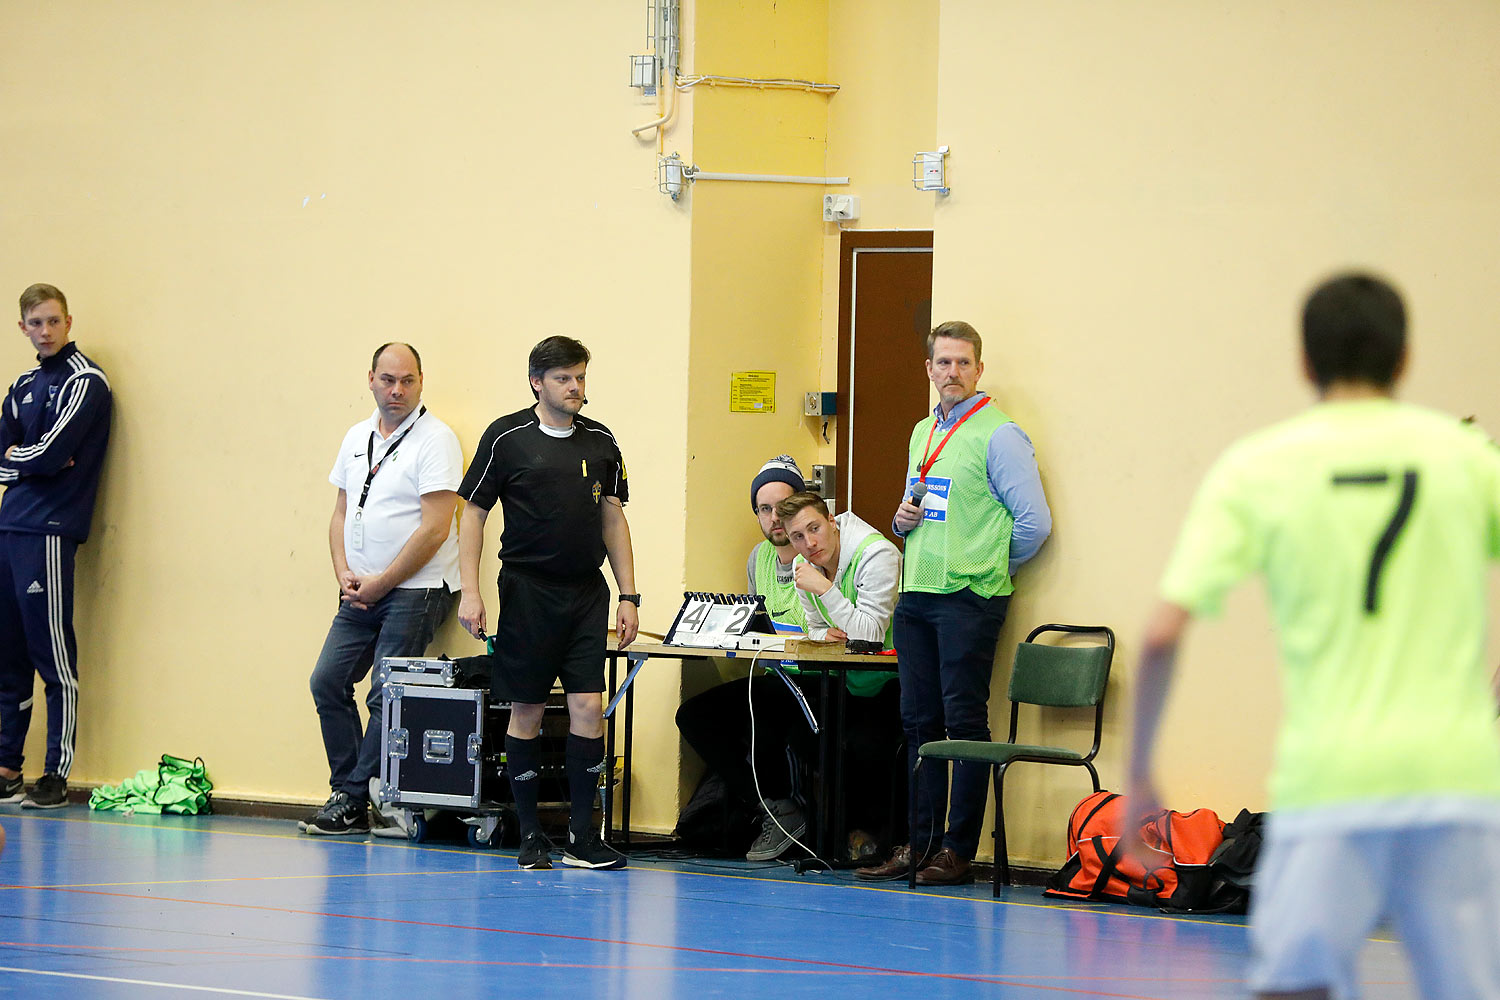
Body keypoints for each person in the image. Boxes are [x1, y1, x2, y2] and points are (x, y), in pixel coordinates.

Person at [1127, 273, 1500, 1000]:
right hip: (1455, 775)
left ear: (1304, 361)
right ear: (1405, 358)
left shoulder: (1258, 467)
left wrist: (1140, 773)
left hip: (1331, 776)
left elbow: (1164, 631)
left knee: (1295, 987)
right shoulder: (1465, 458)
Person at [858, 320, 1052, 885]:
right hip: (917, 593)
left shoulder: (1000, 434)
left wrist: (988, 563)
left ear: (979, 370)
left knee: (964, 721)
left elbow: (1034, 524)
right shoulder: (923, 432)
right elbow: (914, 506)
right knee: (918, 721)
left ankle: (957, 850)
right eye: (943, 363)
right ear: (929, 369)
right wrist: (899, 520)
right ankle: (918, 845)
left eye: (963, 363)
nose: (953, 373)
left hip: (969, 596)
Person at [457, 335, 639, 871]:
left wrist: (629, 594)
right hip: (527, 590)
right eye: (564, 378)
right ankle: (532, 835)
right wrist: (472, 590)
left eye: (581, 377)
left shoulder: (602, 441)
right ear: (537, 382)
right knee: (528, 708)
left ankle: (583, 837)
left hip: (586, 593)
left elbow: (613, 519)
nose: (576, 388)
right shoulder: (506, 438)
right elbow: (472, 514)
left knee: (588, 705)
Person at [305, 343, 461, 835]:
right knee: (327, 681)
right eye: (388, 379)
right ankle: (350, 792)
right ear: (370, 378)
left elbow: (436, 529)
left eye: (408, 381)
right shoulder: (356, 436)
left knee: (385, 692)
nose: (397, 390)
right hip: (361, 588)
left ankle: (352, 798)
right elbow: (340, 512)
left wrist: (380, 582)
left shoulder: (436, 440)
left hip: (416, 587)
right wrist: (343, 571)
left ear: (421, 382)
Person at [0, 284, 112, 810]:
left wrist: (28, 460)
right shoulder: (23, 383)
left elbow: (53, 454)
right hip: (10, 529)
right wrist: (31, 460)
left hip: (49, 529)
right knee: (8, 655)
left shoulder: (85, 381)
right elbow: (23, 455)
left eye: (53, 321)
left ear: (69, 321)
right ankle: (6, 765)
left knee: (53, 654)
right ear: (22, 328)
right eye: (34, 323)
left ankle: (55, 774)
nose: (44, 332)